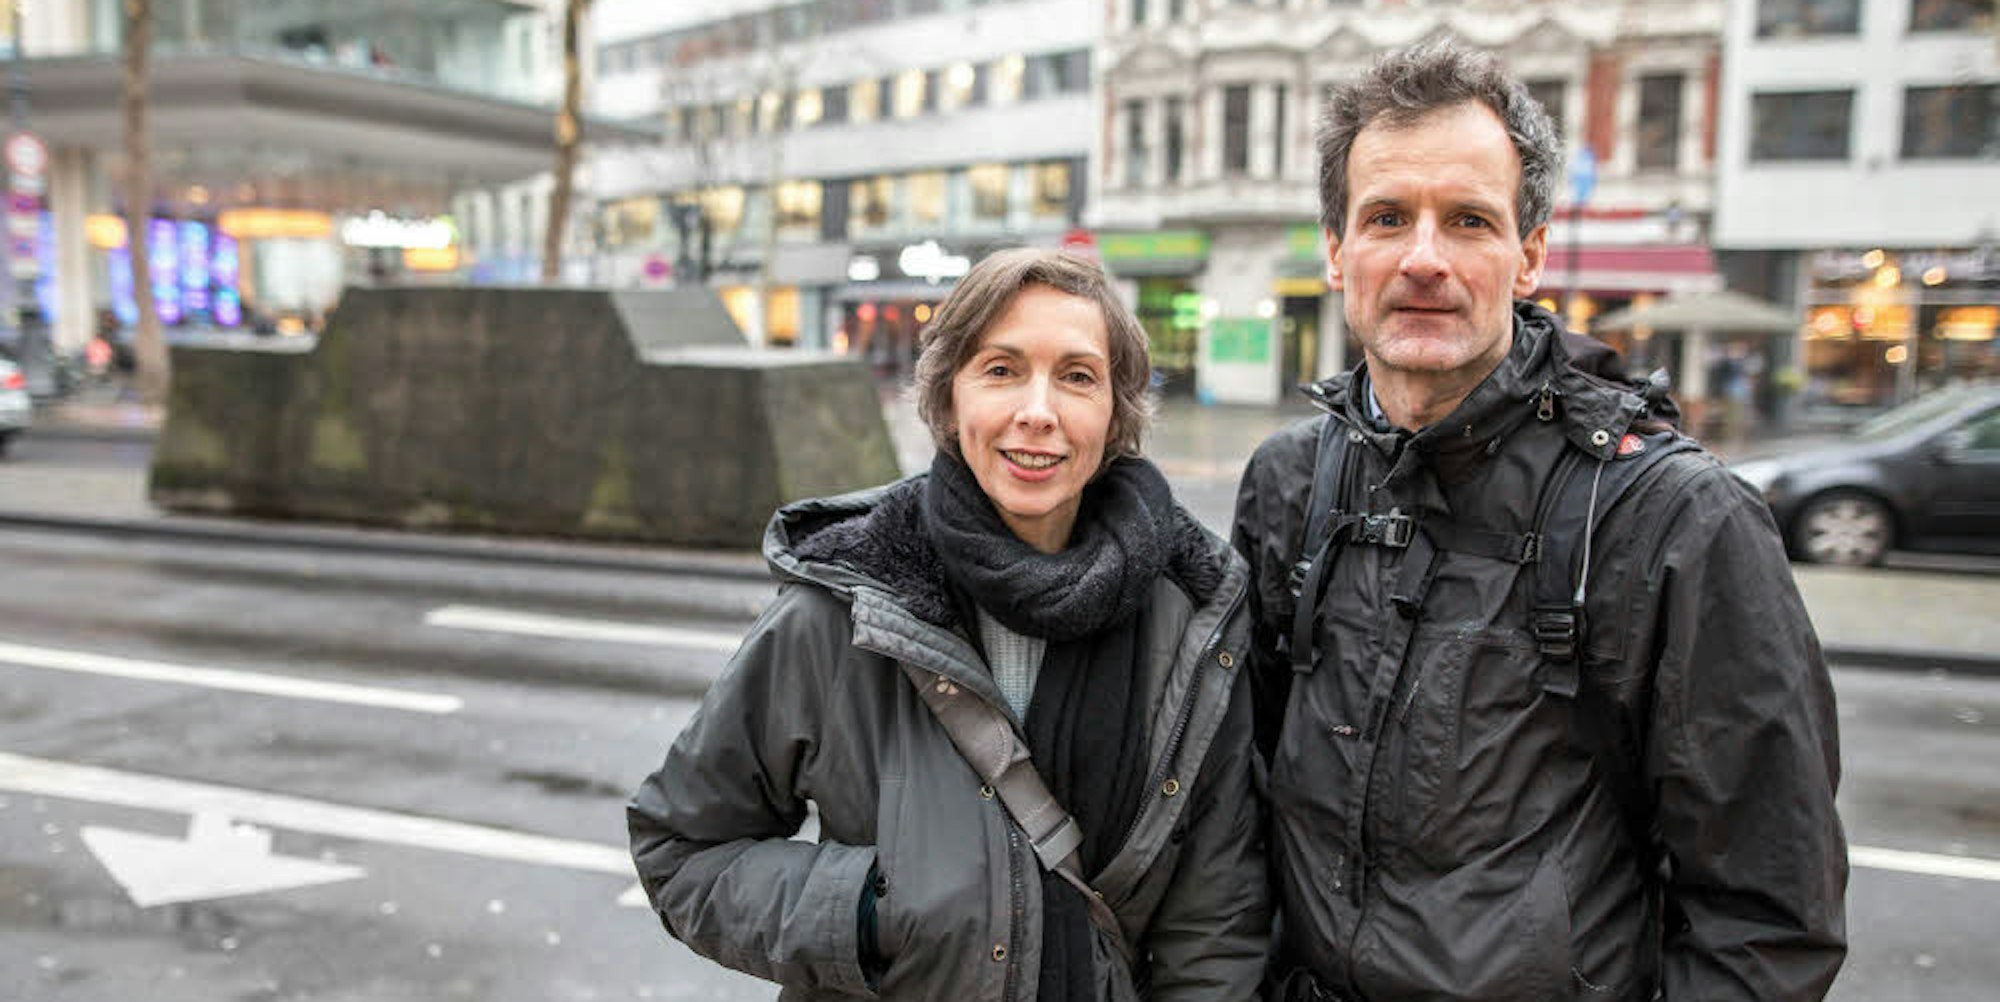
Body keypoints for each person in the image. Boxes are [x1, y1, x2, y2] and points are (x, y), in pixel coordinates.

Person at [1230, 41, 1847, 1001]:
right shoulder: (1290, 481)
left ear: (1529, 256)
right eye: (1387, 217)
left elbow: (1767, 918)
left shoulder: (1676, 517)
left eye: (1469, 220)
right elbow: (1240, 811)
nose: (1424, 258)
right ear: (1338, 251)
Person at [630, 247, 1269, 1001]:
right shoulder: (843, 608)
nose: (1039, 411)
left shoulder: (1188, 626)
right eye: (1001, 369)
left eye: (1077, 376)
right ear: (949, 396)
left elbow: (1214, 922)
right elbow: (684, 847)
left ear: (1116, 412)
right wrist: (863, 912)